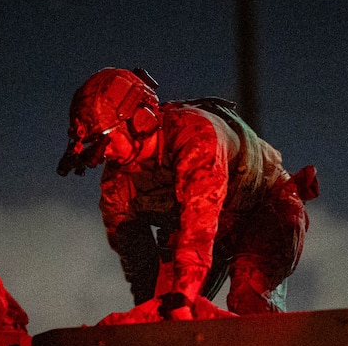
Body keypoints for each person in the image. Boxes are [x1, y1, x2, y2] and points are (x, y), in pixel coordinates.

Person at [57, 67, 318, 319]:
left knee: (248, 301)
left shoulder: (196, 135)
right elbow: (137, 260)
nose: (105, 154)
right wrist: (152, 317)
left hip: (264, 209)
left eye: (106, 138)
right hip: (208, 229)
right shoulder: (118, 184)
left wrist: (183, 297)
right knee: (164, 311)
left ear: (140, 119)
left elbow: (199, 223)